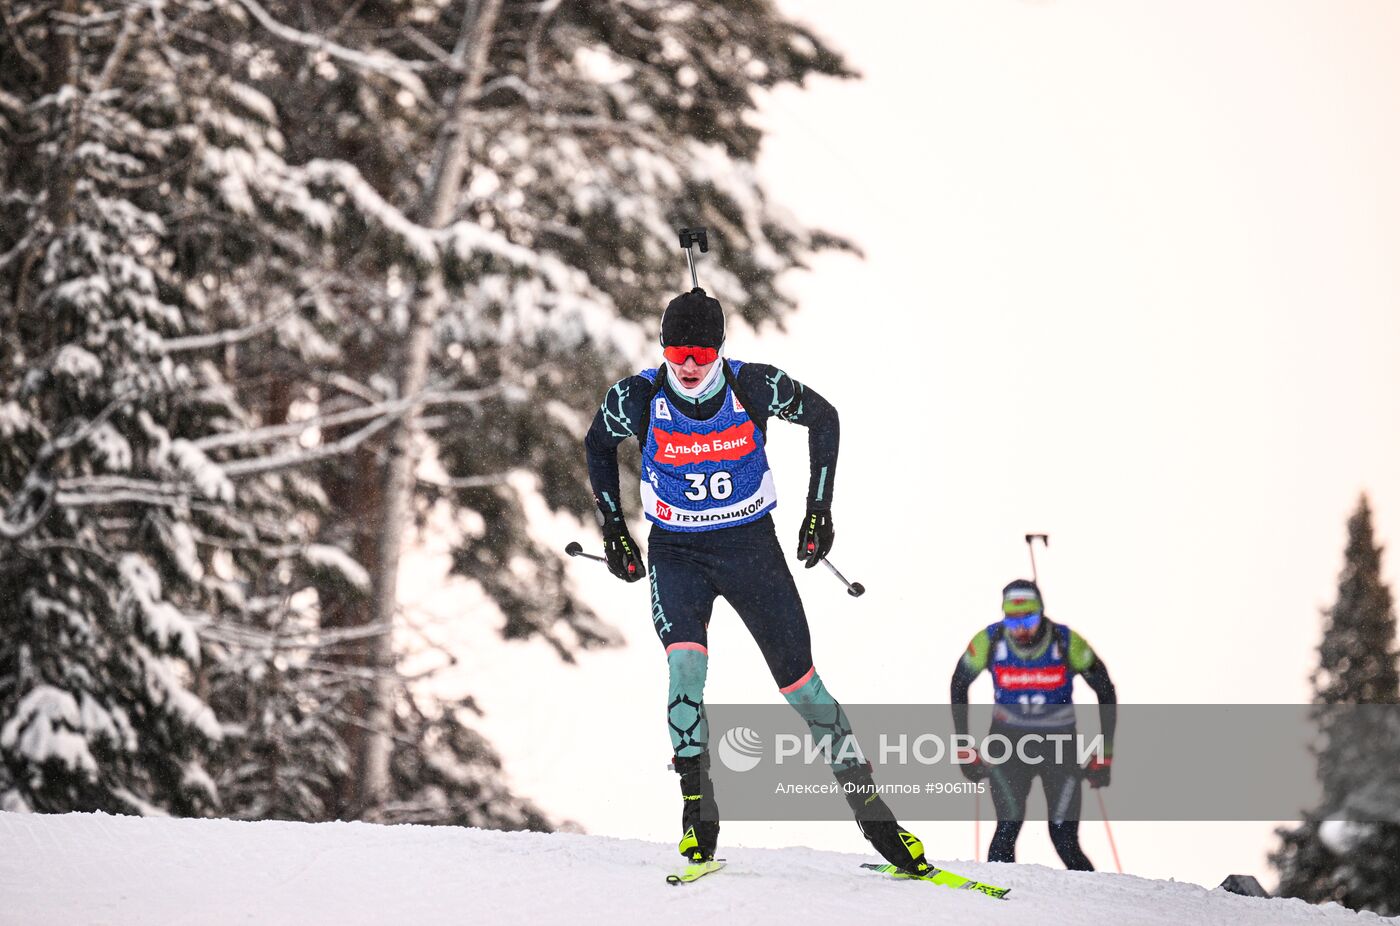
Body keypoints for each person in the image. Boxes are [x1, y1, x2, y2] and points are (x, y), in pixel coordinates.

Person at [584, 286, 931, 874]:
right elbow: (597, 443)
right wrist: (615, 530)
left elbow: (825, 417)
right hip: (678, 554)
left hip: (751, 549)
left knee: (803, 687)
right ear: (663, 347)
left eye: (701, 351)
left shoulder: (753, 385)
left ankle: (876, 818)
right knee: (686, 663)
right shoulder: (639, 394)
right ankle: (698, 812)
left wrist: (818, 510)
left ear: (719, 349)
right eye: (677, 351)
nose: (689, 364)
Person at [949, 579, 1117, 869]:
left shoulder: (1066, 641)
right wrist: (963, 745)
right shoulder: (990, 640)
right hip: (1008, 745)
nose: (1022, 629)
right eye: (1013, 622)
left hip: (1059, 748)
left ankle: (1096, 905)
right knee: (1007, 826)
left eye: (1029, 619)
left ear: (1041, 613)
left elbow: (1105, 690)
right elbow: (959, 683)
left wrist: (1106, 752)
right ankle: (996, 905)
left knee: (1064, 837)